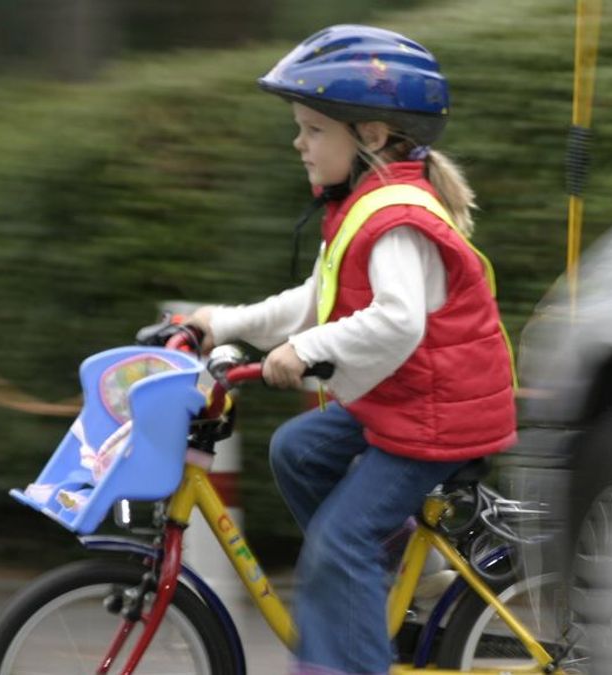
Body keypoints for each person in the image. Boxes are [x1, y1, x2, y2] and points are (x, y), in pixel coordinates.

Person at [185, 24, 518, 675]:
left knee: (340, 538)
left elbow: (397, 323)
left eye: (312, 128)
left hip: (438, 416)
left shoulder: (398, 221)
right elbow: (313, 298)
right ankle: (370, 571)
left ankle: (357, 608)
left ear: (368, 135)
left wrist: (303, 350)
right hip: (405, 402)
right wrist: (218, 324)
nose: (298, 142)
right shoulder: (359, 207)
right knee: (296, 449)